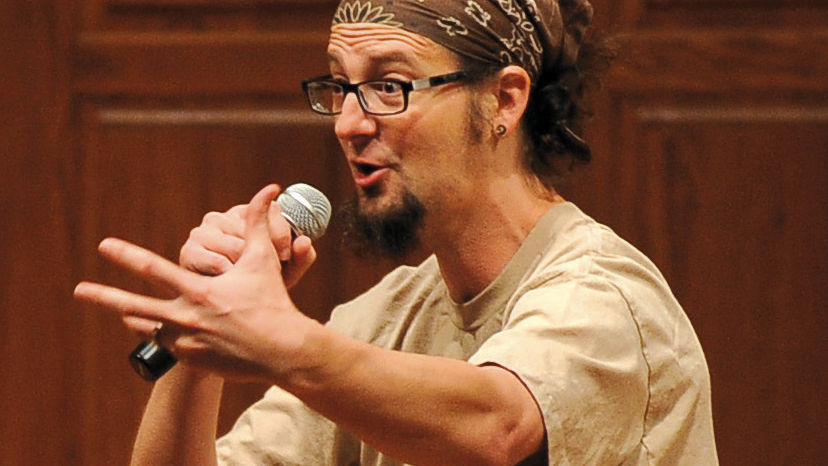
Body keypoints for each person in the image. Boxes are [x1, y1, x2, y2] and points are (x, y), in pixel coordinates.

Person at [74, 0, 719, 465]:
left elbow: (499, 427)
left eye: (389, 84)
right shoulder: (383, 320)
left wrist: (279, 339)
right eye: (341, 86)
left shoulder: (606, 296)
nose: (348, 124)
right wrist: (199, 342)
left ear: (505, 101)